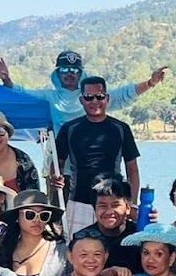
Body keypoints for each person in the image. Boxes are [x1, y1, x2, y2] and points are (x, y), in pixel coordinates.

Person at [0, 49, 168, 129]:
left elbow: (124, 94)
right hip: (60, 166)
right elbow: (22, 94)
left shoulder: (95, 98)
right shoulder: (49, 96)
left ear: (81, 73)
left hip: (90, 161)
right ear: (57, 73)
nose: (70, 74)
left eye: (75, 70)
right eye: (65, 70)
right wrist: (7, 80)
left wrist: (150, 83)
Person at [54, 75, 140, 235]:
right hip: (79, 202)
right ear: (81, 100)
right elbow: (56, 163)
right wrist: (55, 179)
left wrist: (132, 204)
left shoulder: (121, 128)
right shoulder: (70, 128)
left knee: (114, 251)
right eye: (88, 97)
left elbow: (132, 169)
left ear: (107, 98)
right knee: (80, 252)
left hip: (114, 203)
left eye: (99, 97)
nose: (94, 102)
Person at [87, 179, 142, 272]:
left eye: (115, 205)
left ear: (128, 208)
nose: (109, 212)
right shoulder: (83, 239)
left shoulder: (140, 237)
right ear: (94, 209)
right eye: (102, 206)